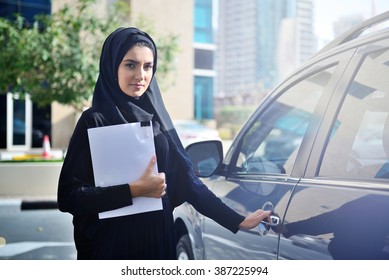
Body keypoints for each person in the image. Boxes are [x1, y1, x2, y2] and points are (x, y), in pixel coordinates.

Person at [57, 27, 271, 260]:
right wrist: (134, 191)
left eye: (148, 66)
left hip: (157, 244)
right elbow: (68, 197)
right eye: (130, 65)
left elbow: (189, 183)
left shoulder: (158, 122)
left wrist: (238, 220)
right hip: (108, 247)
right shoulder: (94, 121)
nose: (141, 75)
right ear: (112, 67)